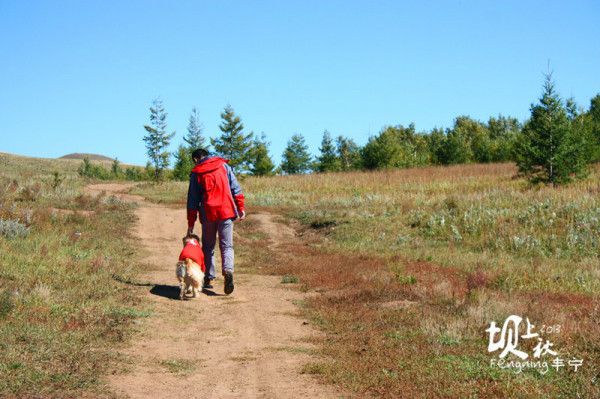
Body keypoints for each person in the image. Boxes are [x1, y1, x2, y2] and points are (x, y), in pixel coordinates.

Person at [186, 148, 245, 295]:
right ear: (208, 155)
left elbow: (192, 200)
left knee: (208, 246)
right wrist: (241, 207)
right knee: (227, 246)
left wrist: (191, 222)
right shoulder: (223, 166)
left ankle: (209, 278)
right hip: (226, 210)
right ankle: (228, 271)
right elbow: (235, 188)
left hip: (209, 213)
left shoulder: (196, 172)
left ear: (195, 159)